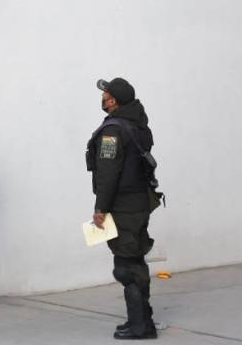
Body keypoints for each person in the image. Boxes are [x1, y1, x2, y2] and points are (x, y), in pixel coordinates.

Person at [88, 77, 158, 340]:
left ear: (113, 101)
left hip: (123, 208)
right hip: (140, 203)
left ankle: (140, 326)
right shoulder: (138, 124)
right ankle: (142, 319)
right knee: (136, 259)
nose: (102, 98)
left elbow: (108, 174)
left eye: (106, 95)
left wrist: (100, 208)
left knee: (126, 265)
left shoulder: (113, 131)